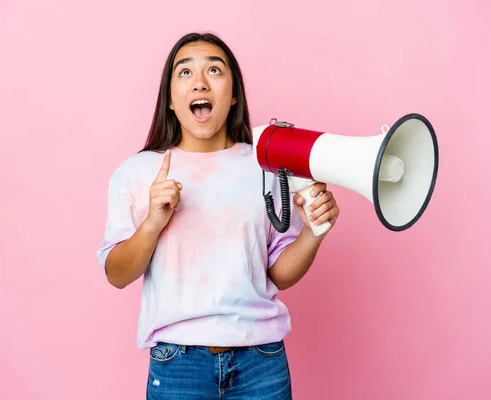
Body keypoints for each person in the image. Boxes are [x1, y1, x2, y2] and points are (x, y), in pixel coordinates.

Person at [96, 32, 340, 400]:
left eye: (214, 69)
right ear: (171, 101)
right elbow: (117, 274)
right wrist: (152, 224)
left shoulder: (268, 167)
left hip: (262, 362)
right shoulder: (136, 172)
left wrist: (311, 233)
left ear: (234, 94)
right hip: (178, 365)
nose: (200, 82)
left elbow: (278, 274)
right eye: (185, 73)